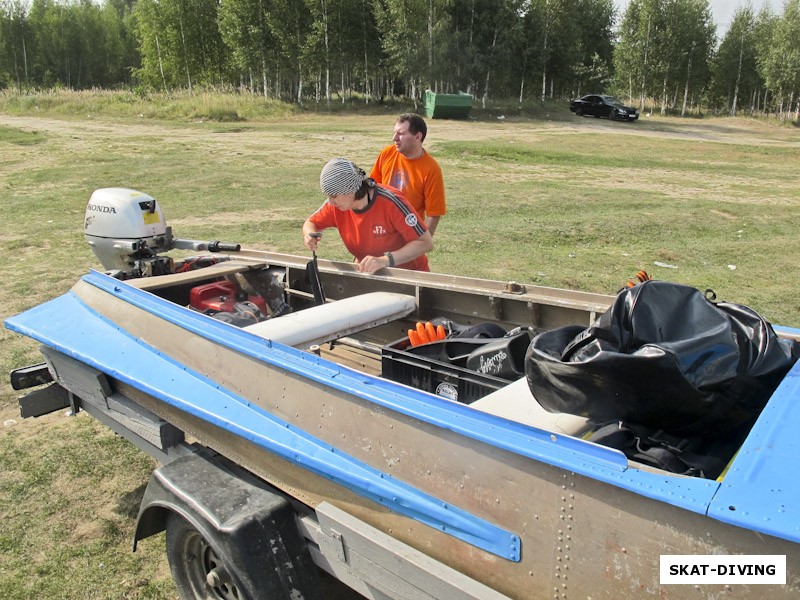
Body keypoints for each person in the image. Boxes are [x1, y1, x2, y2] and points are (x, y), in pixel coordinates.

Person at [303, 158, 433, 274]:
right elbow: (311, 223)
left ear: (350, 190)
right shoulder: (336, 207)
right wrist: (309, 234)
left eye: (334, 195)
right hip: (369, 276)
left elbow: (425, 243)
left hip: (410, 278)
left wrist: (385, 261)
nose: (330, 202)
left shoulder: (391, 202)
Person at [370, 113, 446, 236]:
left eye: (401, 134)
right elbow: (371, 190)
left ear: (417, 137)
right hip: (379, 230)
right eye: (395, 132)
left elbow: (434, 214)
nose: (394, 138)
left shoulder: (431, 169)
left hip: (407, 236)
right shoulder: (386, 154)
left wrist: (420, 245)